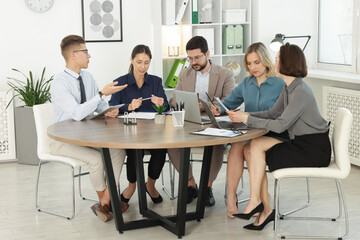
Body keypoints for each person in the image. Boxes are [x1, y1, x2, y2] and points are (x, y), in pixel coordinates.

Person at [231, 43, 331, 230]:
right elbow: (272, 113)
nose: (274, 63)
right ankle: (260, 204)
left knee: (254, 149)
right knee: (251, 147)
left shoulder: (300, 91)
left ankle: (259, 204)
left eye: (277, 59)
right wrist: (246, 117)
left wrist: (248, 118)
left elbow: (280, 124)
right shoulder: (289, 87)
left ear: (287, 63)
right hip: (301, 143)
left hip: (314, 150)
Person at [50, 35, 128, 222]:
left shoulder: (88, 77)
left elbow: (97, 106)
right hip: (62, 140)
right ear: (74, 55)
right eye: (85, 52)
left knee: (118, 150)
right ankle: (107, 202)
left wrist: (108, 110)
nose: (89, 56)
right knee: (97, 160)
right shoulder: (59, 83)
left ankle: (105, 202)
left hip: (86, 136)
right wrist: (101, 94)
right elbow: (77, 113)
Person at [210, 42, 286, 218]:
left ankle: (259, 200)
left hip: (271, 133)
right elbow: (229, 103)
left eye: (257, 62)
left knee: (248, 149)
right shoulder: (246, 83)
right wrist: (219, 109)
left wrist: (245, 115)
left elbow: (278, 114)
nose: (253, 67)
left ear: (266, 60)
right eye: (250, 63)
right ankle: (231, 197)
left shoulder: (279, 84)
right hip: (250, 131)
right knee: (237, 146)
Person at [168, 36, 235, 207]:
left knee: (214, 145)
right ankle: (191, 184)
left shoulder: (225, 74)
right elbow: (174, 101)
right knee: (171, 144)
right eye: (190, 58)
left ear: (207, 54)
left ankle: (207, 187)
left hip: (213, 123)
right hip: (189, 122)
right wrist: (190, 105)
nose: (193, 62)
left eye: (197, 57)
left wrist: (204, 107)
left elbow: (229, 101)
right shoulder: (185, 73)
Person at [109, 44, 168, 205]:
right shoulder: (120, 82)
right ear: (132, 60)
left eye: (146, 63)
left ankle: (150, 185)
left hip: (153, 131)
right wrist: (128, 106)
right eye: (139, 62)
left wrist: (160, 103)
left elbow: (167, 107)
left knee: (162, 150)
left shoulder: (156, 81)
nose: (143, 66)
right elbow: (111, 108)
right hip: (129, 132)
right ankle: (131, 187)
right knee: (135, 151)